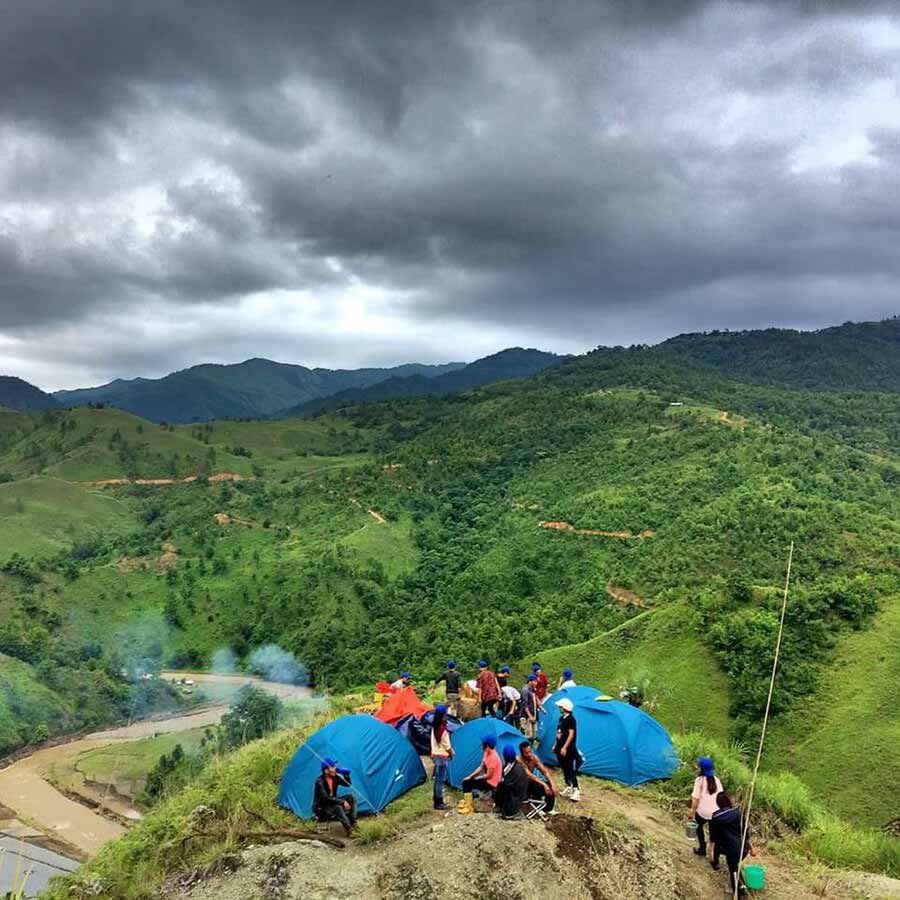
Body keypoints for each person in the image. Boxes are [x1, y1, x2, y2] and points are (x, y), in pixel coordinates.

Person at [709, 792, 754, 896]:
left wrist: (711, 852)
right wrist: (751, 848)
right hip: (743, 849)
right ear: (729, 802)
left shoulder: (716, 817)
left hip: (731, 849)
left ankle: (738, 893)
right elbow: (745, 833)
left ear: (718, 803)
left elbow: (713, 838)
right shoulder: (738, 814)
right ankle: (741, 888)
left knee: (733, 871)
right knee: (735, 866)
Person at [312, 757, 358, 835]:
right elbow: (325, 798)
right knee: (338, 807)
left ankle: (353, 822)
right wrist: (342, 801)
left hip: (333, 802)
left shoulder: (335, 777)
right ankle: (350, 830)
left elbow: (348, 784)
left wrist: (346, 775)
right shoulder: (320, 781)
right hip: (322, 807)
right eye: (332, 766)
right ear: (326, 770)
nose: (335, 768)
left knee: (351, 797)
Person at [689, 756, 723, 860]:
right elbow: (721, 796)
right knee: (714, 834)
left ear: (701, 769)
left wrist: (692, 812)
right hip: (716, 813)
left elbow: (695, 800)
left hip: (703, 812)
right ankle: (714, 855)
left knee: (699, 827)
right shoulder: (717, 780)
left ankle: (702, 848)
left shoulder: (699, 780)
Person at [519, 740, 557, 812]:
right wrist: (544, 784)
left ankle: (548, 809)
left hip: (531, 781)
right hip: (522, 784)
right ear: (522, 753)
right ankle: (536, 806)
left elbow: (545, 771)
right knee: (536, 784)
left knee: (548, 785)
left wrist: (552, 784)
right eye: (527, 753)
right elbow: (530, 775)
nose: (529, 754)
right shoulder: (519, 760)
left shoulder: (534, 758)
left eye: (530, 751)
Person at [554, 697, 580, 801]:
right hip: (560, 746)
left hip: (568, 748)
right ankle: (568, 786)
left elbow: (571, 734)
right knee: (564, 767)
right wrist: (555, 745)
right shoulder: (561, 719)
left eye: (560, 706)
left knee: (569, 767)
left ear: (564, 708)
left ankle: (576, 789)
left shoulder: (571, 719)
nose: (559, 708)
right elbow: (559, 733)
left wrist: (565, 747)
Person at [495, 744, 529, 819]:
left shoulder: (511, 768)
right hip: (522, 794)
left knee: (500, 786)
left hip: (516, 798)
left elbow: (506, 784)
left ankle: (505, 809)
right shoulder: (518, 765)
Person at [430, 703, 454, 810]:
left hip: (435, 754)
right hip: (442, 756)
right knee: (440, 780)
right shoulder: (442, 728)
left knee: (437, 780)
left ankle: (436, 800)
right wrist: (451, 752)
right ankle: (439, 802)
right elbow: (446, 744)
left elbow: (433, 742)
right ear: (444, 714)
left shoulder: (434, 726)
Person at [520, 674, 540, 740]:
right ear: (530, 681)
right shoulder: (525, 690)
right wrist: (530, 716)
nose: (536, 683)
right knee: (528, 735)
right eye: (535, 681)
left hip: (533, 715)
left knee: (533, 736)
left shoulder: (532, 690)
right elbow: (525, 704)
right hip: (526, 716)